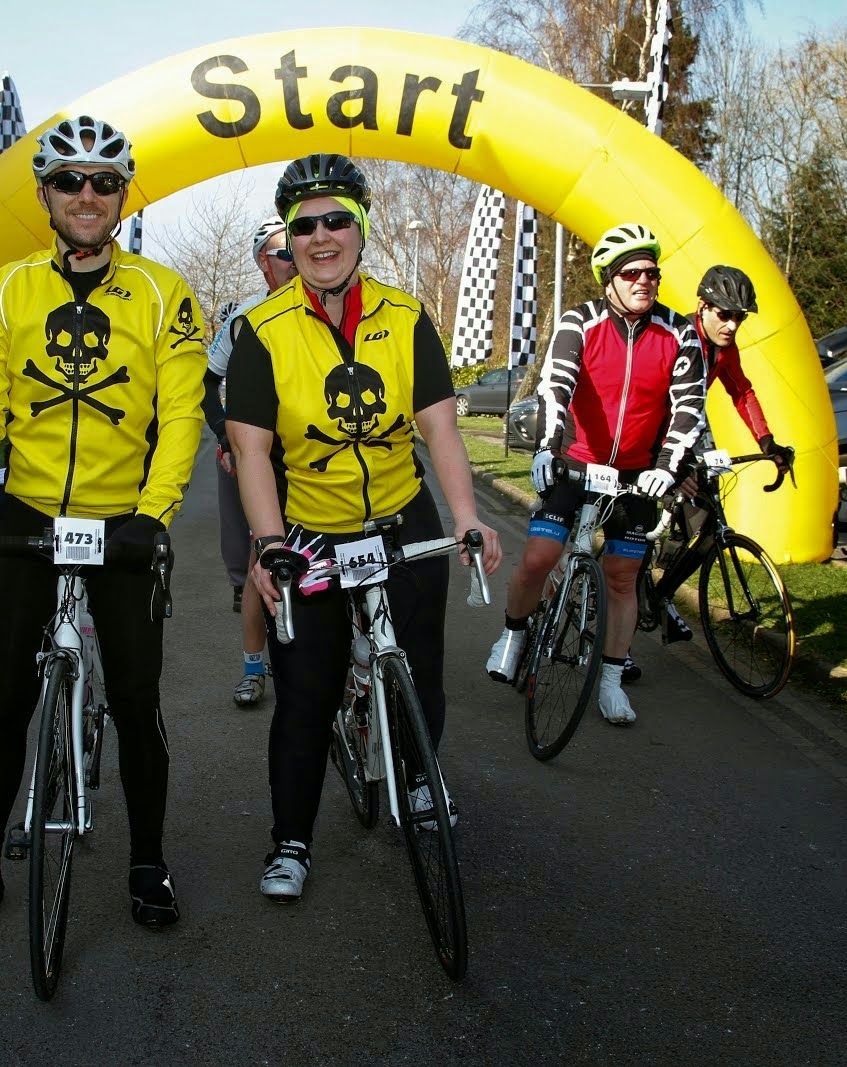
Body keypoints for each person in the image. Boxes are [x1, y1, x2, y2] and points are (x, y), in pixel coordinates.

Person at [0, 115, 206, 931]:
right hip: (30, 516)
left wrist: (154, 516)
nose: (88, 194)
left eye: (105, 181)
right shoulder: (7, 288)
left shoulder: (162, 293)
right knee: (4, 698)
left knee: (138, 697)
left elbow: (182, 414)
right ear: (45, 192)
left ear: (121, 195)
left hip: (122, 521)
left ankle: (147, 863)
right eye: (71, 180)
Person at [225, 153, 503, 902]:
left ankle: (417, 775)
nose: (321, 237)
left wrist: (468, 518)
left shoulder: (407, 317)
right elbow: (251, 450)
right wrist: (268, 543)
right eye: (304, 226)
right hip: (311, 527)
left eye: (336, 220)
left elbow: (442, 430)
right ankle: (291, 840)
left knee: (419, 664)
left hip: (400, 518)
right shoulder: (260, 330)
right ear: (290, 238)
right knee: (305, 695)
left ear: (362, 227)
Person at [483, 222, 705, 726]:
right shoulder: (579, 323)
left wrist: (668, 469)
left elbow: (690, 406)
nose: (643, 281)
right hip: (578, 462)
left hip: (637, 473)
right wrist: (546, 446)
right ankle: (514, 633)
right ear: (609, 279)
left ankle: (609, 680)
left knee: (622, 578)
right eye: (631, 273)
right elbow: (555, 387)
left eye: (651, 272)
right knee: (540, 556)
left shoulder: (679, 332)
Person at [620, 264, 793, 682]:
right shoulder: (680, 338)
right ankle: (623, 633)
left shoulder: (724, 348)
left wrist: (767, 443)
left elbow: (742, 391)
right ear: (703, 307)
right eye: (724, 314)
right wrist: (675, 468)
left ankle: (661, 591)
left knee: (707, 513)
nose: (732, 325)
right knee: (636, 535)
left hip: (689, 426)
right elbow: (661, 407)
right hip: (652, 431)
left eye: (740, 318)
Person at [204, 216, 299, 707]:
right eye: (286, 252)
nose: (298, 257)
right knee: (260, 559)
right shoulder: (244, 318)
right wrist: (225, 439)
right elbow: (206, 384)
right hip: (260, 458)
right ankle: (253, 667)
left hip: (317, 458)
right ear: (265, 261)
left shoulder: (323, 307)